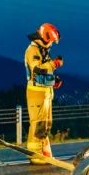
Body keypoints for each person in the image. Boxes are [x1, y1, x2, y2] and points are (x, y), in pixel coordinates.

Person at [24, 23, 62, 164]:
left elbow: (46, 72)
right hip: (37, 94)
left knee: (46, 125)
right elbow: (38, 69)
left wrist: (54, 80)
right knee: (38, 124)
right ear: (45, 37)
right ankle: (35, 155)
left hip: (45, 92)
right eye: (51, 40)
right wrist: (55, 64)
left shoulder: (42, 50)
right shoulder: (33, 50)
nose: (52, 43)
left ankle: (44, 153)